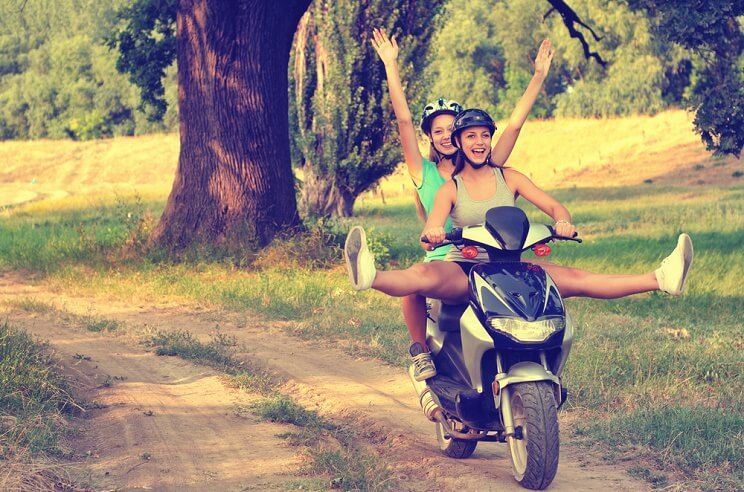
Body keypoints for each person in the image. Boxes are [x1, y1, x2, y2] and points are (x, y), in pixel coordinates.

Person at [343, 109, 694, 371]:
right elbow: (434, 223)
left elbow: (553, 204)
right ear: (460, 144)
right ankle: (370, 276)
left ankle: (660, 278)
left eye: (484, 136)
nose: (479, 143)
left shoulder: (509, 177)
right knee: (422, 276)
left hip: (512, 265)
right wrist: (433, 233)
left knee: (578, 278)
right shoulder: (451, 188)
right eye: (471, 137)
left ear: (490, 141)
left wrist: (562, 221)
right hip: (467, 265)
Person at [371, 28, 555, 380]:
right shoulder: (422, 172)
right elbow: (404, 121)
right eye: (436, 131)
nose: (444, 136)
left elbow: (513, 126)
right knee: (413, 283)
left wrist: (538, 77)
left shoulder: (482, 166)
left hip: (490, 256)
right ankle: (420, 351)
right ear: (431, 137)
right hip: (445, 257)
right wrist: (391, 66)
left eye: (450, 129)